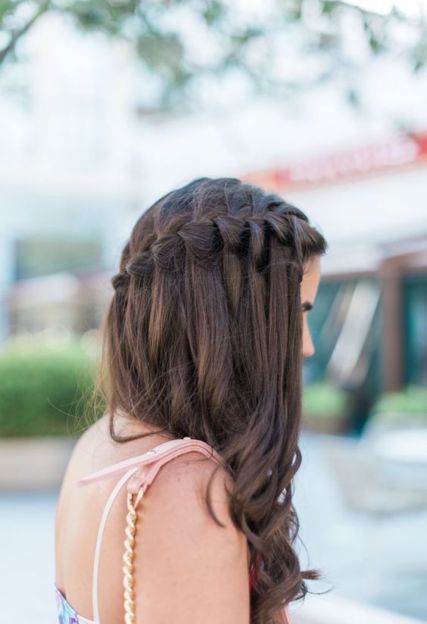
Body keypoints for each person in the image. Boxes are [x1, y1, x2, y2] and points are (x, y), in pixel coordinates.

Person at [54, 177, 327, 624]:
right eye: (297, 313)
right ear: (233, 320)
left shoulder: (103, 443)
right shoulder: (188, 493)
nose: (306, 345)